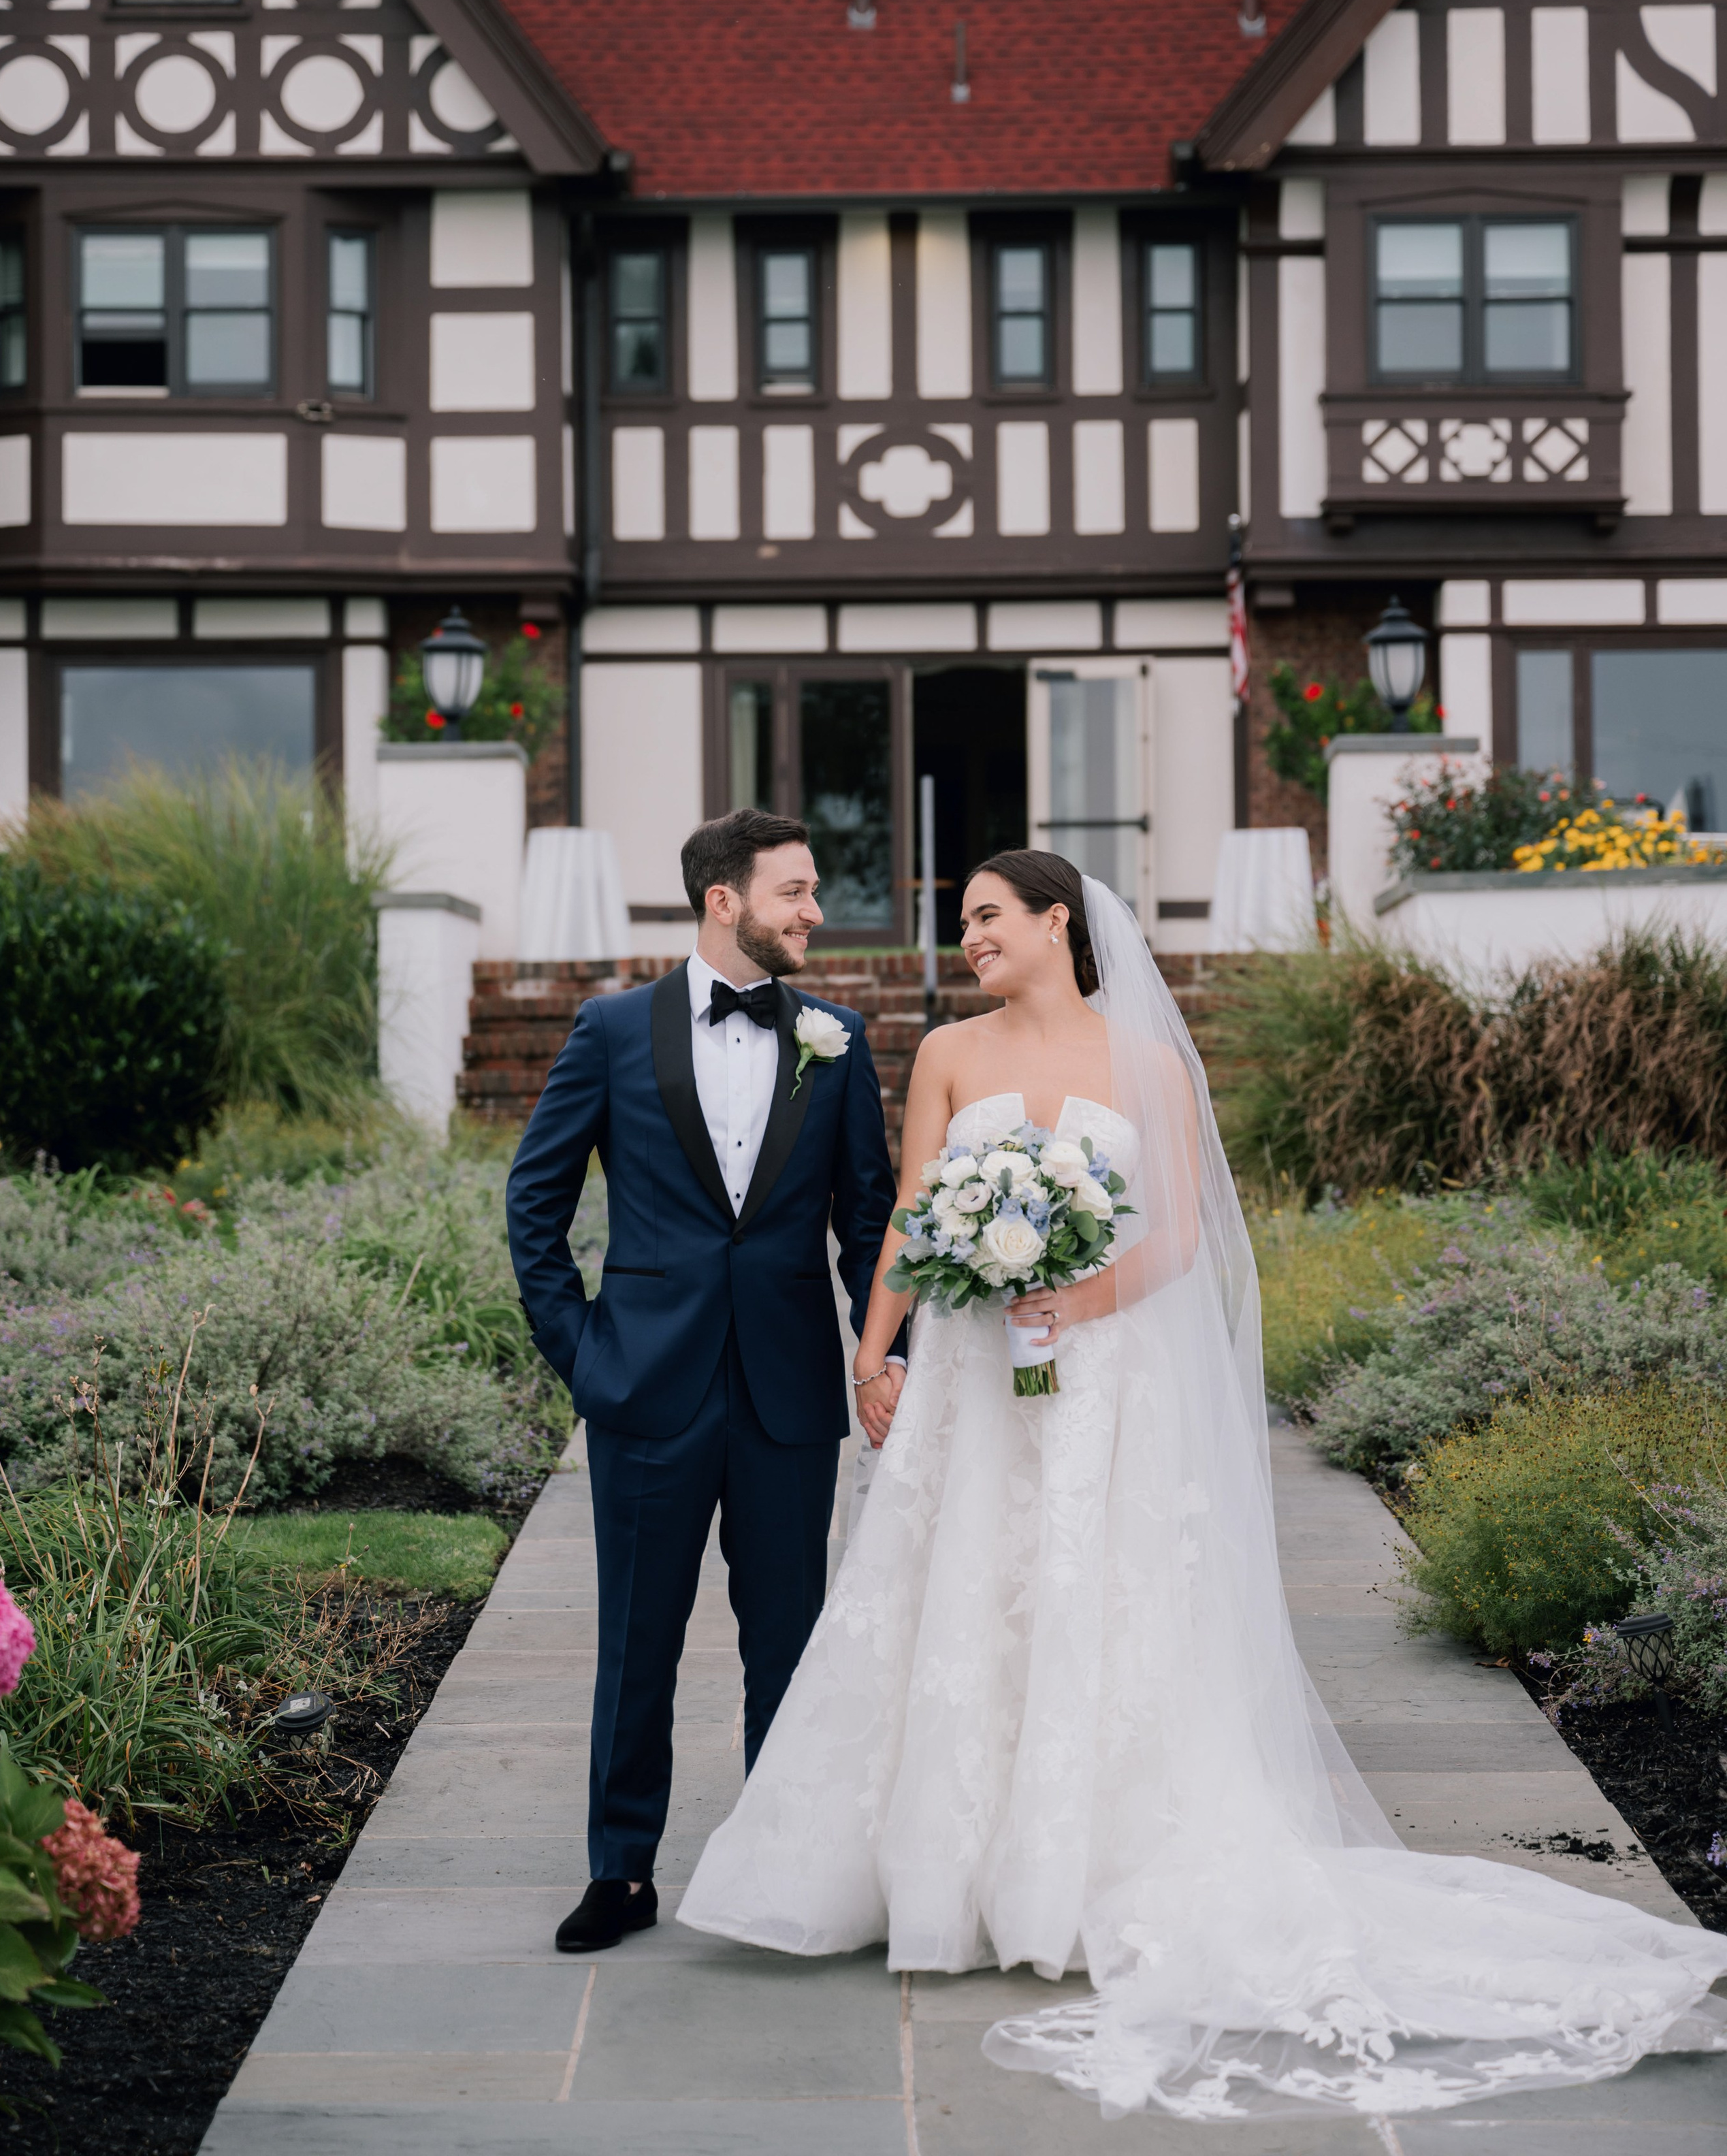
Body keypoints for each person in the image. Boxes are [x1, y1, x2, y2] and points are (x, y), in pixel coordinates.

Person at [680, 850, 1727, 2119]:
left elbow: (1175, 1232)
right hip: (969, 1368)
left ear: (1059, 920)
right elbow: (910, 1209)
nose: (972, 941)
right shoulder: (950, 1055)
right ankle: (939, 1866)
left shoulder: (1150, 1061)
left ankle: (1074, 1870)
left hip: (1102, 1371)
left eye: (990, 918)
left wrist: (1077, 1294)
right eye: (963, 925)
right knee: (955, 1594)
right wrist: (873, 1348)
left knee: (1098, 1595)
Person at [506, 808, 901, 1957]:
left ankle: (782, 1872)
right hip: (645, 1390)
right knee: (640, 1640)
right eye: (796, 892)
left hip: (786, 1393)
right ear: (724, 901)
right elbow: (535, 1205)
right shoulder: (612, 1029)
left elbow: (865, 1218)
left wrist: (886, 1351)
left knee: (790, 1643)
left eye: (815, 890)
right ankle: (621, 1875)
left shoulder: (838, 1036)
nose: (816, 911)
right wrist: (583, 1356)